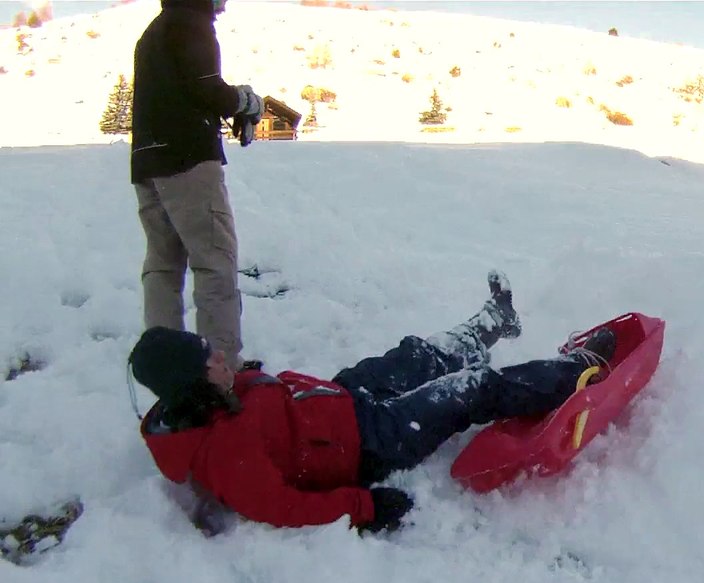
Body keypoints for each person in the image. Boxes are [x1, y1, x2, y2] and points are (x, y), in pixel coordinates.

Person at [127, 271, 617, 534]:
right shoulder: (223, 455)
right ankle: (578, 371)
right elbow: (280, 507)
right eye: (207, 358)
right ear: (192, 384)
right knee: (469, 389)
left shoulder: (207, 398)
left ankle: (494, 320)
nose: (218, 355)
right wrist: (364, 507)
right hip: (371, 442)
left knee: (419, 355)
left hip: (340, 398)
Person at [131, 0, 263, 370]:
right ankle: (222, 370)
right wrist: (245, 102)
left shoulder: (154, 31)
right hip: (187, 160)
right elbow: (206, 88)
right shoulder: (191, 24)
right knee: (215, 261)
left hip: (148, 163)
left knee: (163, 265)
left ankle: (169, 370)